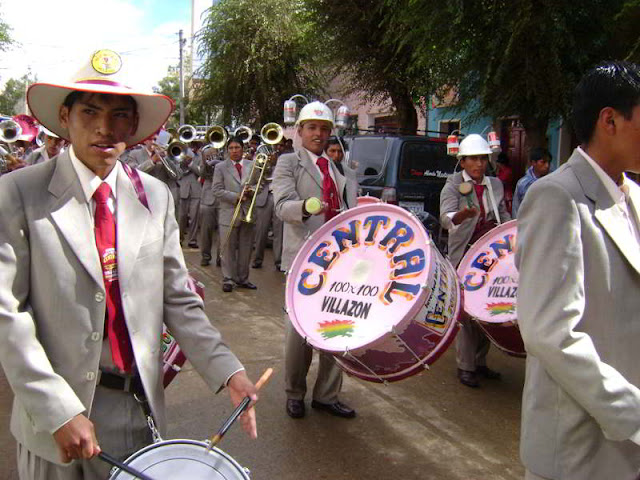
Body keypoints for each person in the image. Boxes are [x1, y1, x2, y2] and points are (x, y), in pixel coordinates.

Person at [0, 49, 258, 480]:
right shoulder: (19, 194)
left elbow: (178, 298)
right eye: (89, 112)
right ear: (64, 117)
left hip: (137, 415)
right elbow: (8, 316)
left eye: (120, 115)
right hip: (55, 425)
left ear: (134, 126)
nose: (105, 127)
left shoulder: (154, 197)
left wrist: (228, 370)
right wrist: (57, 410)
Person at [516, 61, 640, 480]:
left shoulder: (634, 196)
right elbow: (549, 332)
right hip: (578, 448)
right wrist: (633, 412)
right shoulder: (558, 197)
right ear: (610, 120)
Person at [272, 101, 358, 419]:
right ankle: (294, 392)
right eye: (312, 128)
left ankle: (327, 394)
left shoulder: (342, 170)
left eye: (324, 129)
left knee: (339, 327)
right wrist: (307, 207)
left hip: (340, 262)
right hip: (304, 261)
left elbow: (351, 213)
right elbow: (282, 206)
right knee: (299, 333)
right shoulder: (287, 163)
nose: (319, 134)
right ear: (300, 130)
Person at [439, 133, 511, 388]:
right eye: (473, 159)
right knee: (468, 314)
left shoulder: (495, 185)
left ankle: (480, 362)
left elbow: (503, 215)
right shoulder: (453, 183)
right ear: (463, 161)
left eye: (482, 159)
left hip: (492, 256)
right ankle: (466, 366)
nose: (479, 164)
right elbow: (446, 219)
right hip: (466, 255)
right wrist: (462, 215)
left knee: (487, 309)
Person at [212, 136, 257, 292]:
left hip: (247, 212)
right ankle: (228, 278)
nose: (234, 151)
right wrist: (235, 196)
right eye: (231, 148)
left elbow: (260, 184)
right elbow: (216, 190)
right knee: (228, 248)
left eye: (237, 147)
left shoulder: (252, 165)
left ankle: (243, 278)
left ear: (242, 149)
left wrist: (252, 191)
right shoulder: (220, 167)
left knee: (246, 247)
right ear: (227, 150)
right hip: (228, 212)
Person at [511, 147, 552, 217]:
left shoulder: (553, 181)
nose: (547, 166)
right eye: (543, 162)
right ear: (533, 163)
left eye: (548, 162)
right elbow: (516, 207)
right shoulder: (523, 183)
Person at [199, 146, 221, 267]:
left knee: (222, 231)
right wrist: (205, 162)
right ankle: (205, 256)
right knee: (206, 230)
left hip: (223, 198)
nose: (213, 152)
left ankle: (220, 257)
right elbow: (202, 174)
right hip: (208, 198)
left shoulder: (226, 155)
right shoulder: (204, 157)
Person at [178, 141, 203, 247]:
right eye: (191, 145)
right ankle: (179, 239)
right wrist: (183, 162)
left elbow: (201, 172)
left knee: (194, 217)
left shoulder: (201, 156)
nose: (193, 148)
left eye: (195, 146)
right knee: (181, 217)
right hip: (183, 189)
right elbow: (177, 172)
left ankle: (192, 240)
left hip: (196, 191)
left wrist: (191, 164)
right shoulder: (179, 154)